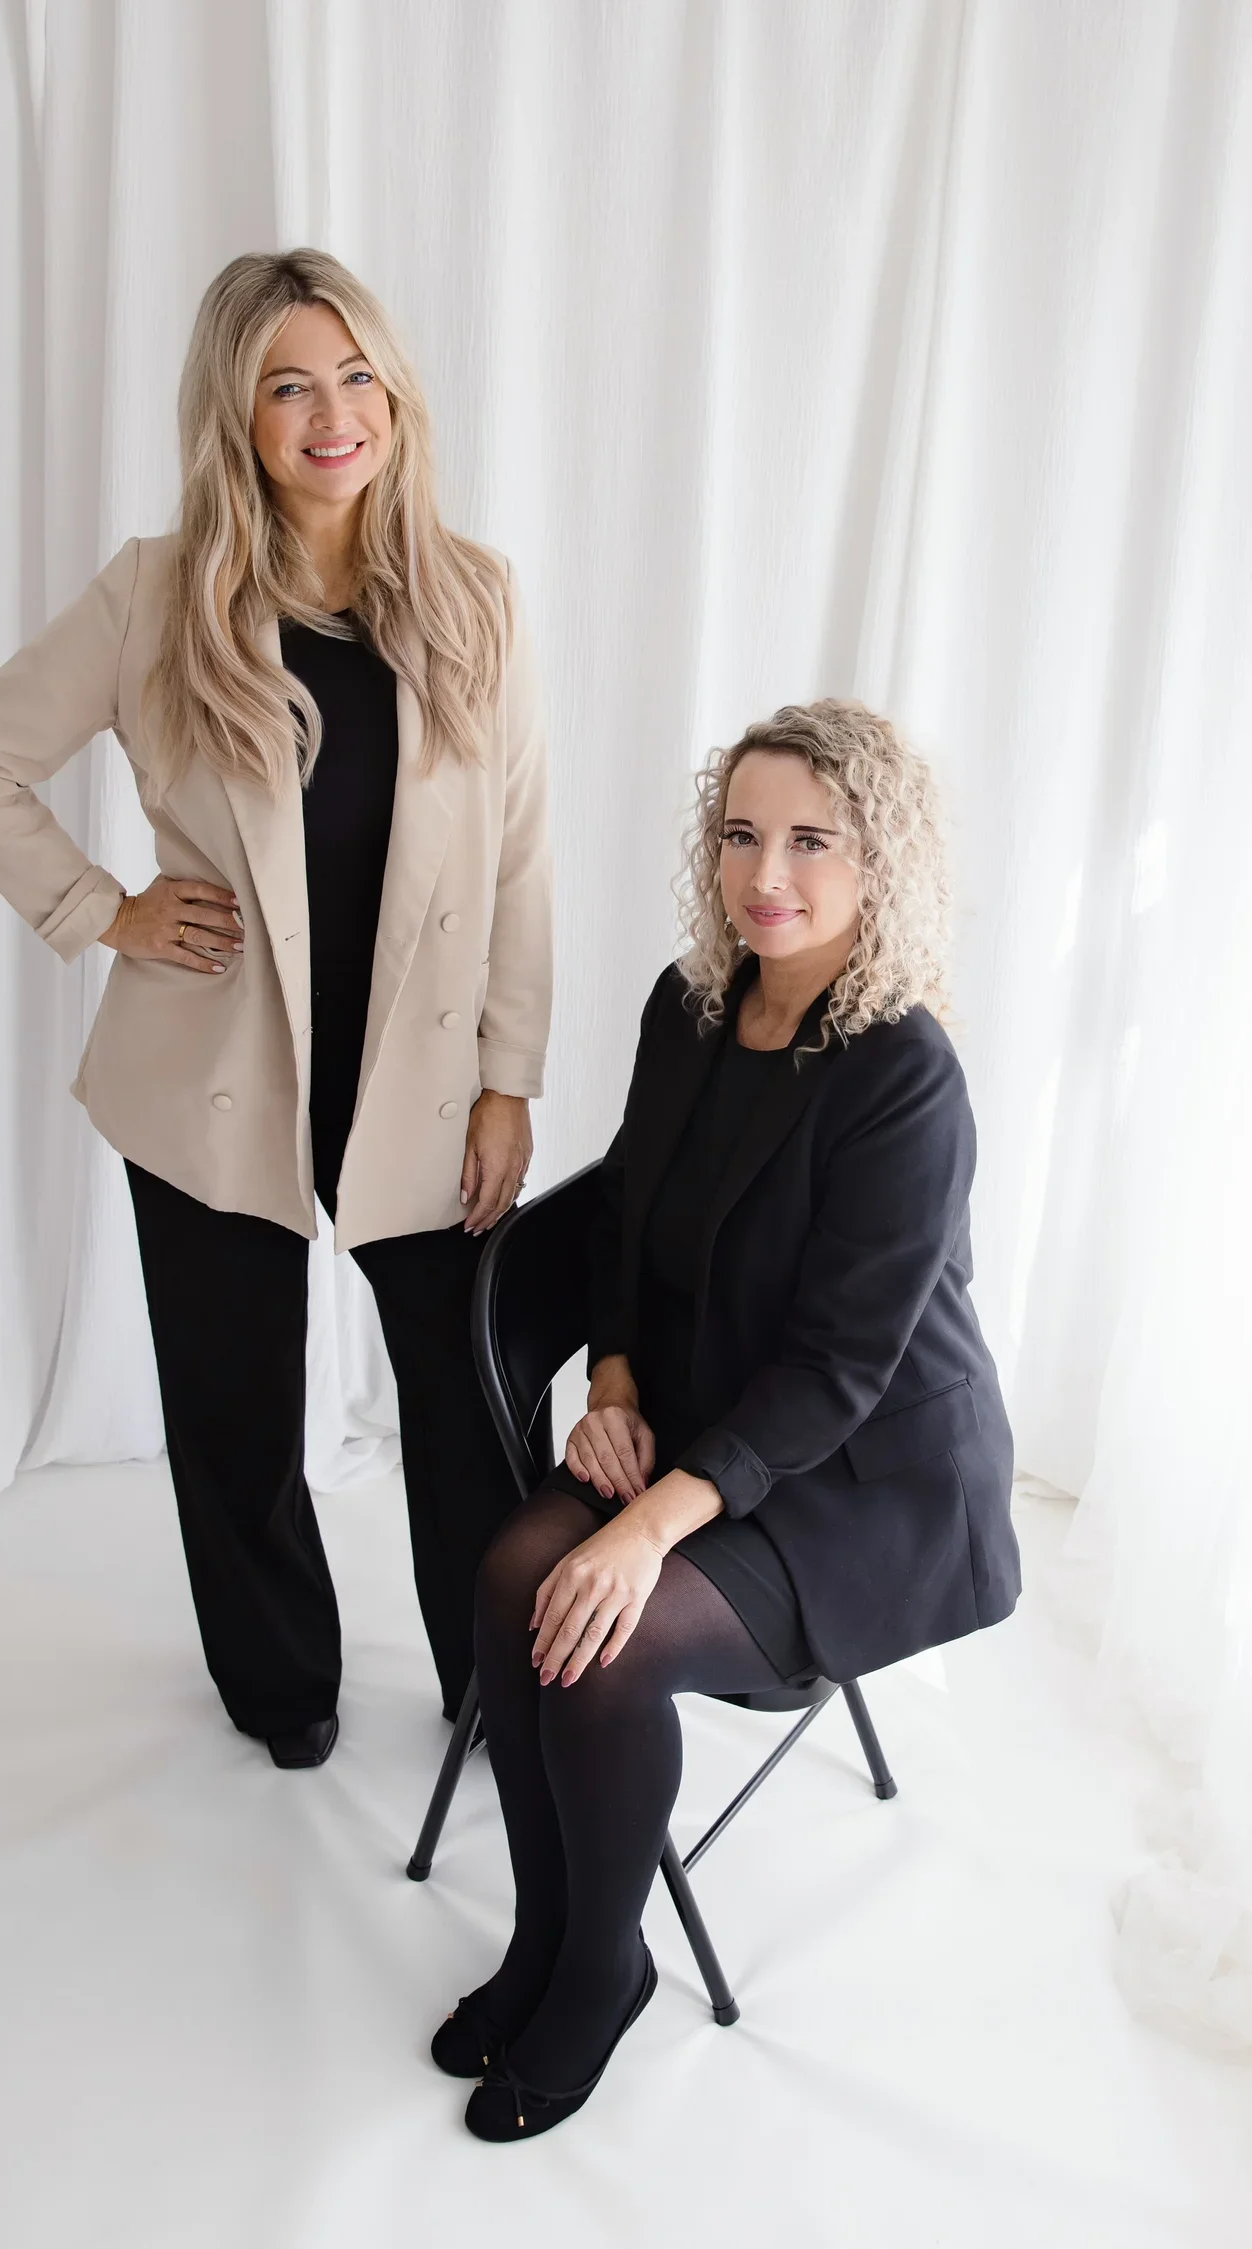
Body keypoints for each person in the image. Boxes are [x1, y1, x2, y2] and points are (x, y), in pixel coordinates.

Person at [0, 250, 551, 1769]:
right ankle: (282, 1689)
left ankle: (496, 1682)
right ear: (237, 414)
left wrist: (509, 1077)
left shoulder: (476, 597)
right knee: (237, 1413)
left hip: (418, 1078)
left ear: (392, 392)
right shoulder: (160, 593)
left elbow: (522, 847)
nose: (333, 414)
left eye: (354, 376)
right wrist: (104, 911)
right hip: (209, 1075)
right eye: (288, 384)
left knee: (468, 1405)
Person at [433, 700, 1019, 2140]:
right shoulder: (690, 1007)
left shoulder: (903, 1073)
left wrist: (645, 1527)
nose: (770, 872)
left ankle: (601, 1971)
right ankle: (550, 1936)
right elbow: (631, 1217)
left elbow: (836, 1371)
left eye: (814, 840)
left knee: (603, 1631)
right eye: (744, 834)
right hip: (700, 1407)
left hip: (862, 1476)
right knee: (515, 1577)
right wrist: (614, 1380)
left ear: (879, 863)